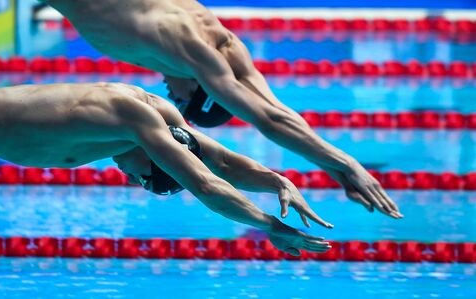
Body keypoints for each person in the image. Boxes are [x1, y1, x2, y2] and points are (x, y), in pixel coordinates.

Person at [0, 42, 331, 256]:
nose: (127, 176)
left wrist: (276, 180)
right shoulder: (138, 119)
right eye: (141, 177)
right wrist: (271, 226)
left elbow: (220, 159)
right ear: (157, 157)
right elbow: (206, 184)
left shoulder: (160, 114)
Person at [42, 0, 403, 219]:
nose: (172, 96)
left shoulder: (223, 42)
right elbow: (268, 119)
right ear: (205, 86)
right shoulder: (191, 48)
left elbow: (276, 108)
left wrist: (335, 169)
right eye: (184, 101)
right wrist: (348, 164)